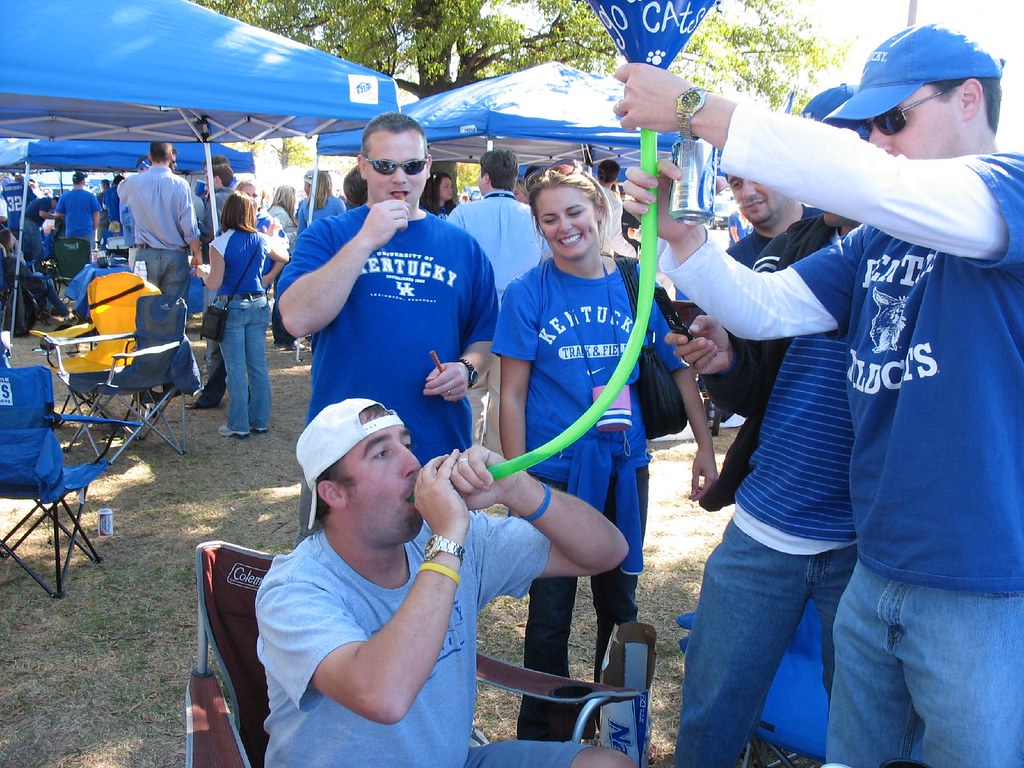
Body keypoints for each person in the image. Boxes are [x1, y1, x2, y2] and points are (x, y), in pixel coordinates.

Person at [615, 24, 1024, 768]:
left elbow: (876, 184)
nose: (878, 140)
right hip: (876, 571)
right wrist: (679, 239)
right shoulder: (877, 243)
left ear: (971, 99)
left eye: (893, 119)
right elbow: (764, 308)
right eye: (869, 125)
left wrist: (698, 107)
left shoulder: (1011, 190)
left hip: (978, 586)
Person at [256, 398, 632, 768]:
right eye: (382, 454)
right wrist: (449, 536)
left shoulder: (446, 542)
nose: (412, 464)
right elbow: (382, 696)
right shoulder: (294, 590)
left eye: (406, 444)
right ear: (333, 493)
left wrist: (517, 489)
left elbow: (606, 552)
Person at [668, 85, 863, 768]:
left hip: (865, 547)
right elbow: (757, 381)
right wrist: (722, 360)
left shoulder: (912, 249)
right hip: (765, 526)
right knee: (714, 708)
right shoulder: (808, 251)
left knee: (864, 727)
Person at [492, 162, 717, 741]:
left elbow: (682, 372)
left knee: (620, 604)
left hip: (623, 469)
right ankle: (544, 738)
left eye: (574, 212)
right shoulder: (526, 293)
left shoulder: (636, 282)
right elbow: (510, 396)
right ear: (539, 229)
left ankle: (616, 728)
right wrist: (518, 483)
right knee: (548, 617)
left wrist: (705, 448)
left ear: (600, 212)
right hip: (555, 479)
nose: (565, 227)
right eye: (550, 219)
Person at [277, 112, 499, 539]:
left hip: (437, 452)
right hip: (347, 455)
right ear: (363, 167)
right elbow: (297, 317)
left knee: (442, 584)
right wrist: (365, 239)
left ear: (428, 166)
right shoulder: (328, 235)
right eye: (385, 166)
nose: (400, 177)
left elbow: (484, 337)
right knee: (340, 589)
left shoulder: (462, 247)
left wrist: (467, 369)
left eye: (412, 166)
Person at [447, 148, 547, 453]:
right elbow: (546, 263)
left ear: (485, 177)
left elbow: (452, 263)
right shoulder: (531, 218)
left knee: (471, 394)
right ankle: (499, 468)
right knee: (507, 396)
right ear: (513, 178)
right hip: (519, 318)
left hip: (475, 318)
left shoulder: (463, 213)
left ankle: (464, 458)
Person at [196, 190, 288, 438]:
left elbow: (214, 282)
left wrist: (203, 273)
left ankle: (238, 424)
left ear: (227, 212)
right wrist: (271, 239)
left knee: (236, 368)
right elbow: (285, 257)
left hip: (233, 306)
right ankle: (260, 419)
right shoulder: (260, 239)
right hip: (258, 304)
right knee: (258, 366)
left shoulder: (220, 243)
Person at [115, 142, 203, 300]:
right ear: (171, 157)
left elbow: (121, 192)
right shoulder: (181, 184)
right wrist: (197, 253)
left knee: (145, 306)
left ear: (150, 157)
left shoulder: (132, 183)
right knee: (174, 307)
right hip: (175, 254)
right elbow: (188, 225)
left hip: (146, 253)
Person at [595, 159, 637, 258]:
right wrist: (632, 253)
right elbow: (613, 238)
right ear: (615, 179)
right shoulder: (614, 203)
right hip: (599, 255)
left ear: (597, 174)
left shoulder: (584, 194)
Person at [54, 171, 101, 245]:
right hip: (86, 231)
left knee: (73, 255)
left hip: (70, 231)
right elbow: (96, 214)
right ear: (83, 182)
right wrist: (94, 228)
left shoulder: (64, 196)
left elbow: (58, 214)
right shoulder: (90, 196)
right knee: (86, 254)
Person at [296, 170, 345, 236]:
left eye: (309, 186)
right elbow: (343, 230)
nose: (305, 188)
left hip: (311, 243)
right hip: (332, 244)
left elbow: (300, 233)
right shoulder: (338, 204)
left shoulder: (305, 204)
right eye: (305, 185)